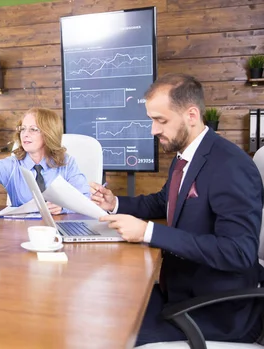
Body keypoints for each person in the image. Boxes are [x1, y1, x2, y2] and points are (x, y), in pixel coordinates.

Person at [91, 74, 264, 345]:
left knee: (114, 337)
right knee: (106, 310)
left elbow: (238, 252)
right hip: (179, 291)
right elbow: (164, 201)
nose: (153, 130)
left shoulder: (231, 166)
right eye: (152, 120)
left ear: (191, 115)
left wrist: (149, 232)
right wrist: (115, 203)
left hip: (214, 310)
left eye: (161, 120)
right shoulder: (186, 155)